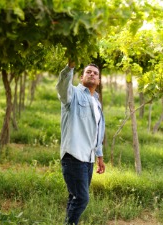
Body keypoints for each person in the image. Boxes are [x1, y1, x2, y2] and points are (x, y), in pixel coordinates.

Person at [56, 60, 106, 225]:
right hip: (73, 154)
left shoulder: (96, 102)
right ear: (82, 76)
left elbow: (97, 132)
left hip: (88, 158)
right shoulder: (73, 94)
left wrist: (99, 155)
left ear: (98, 81)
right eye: (88, 72)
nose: (92, 74)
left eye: (95, 73)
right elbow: (62, 88)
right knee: (82, 199)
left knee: (75, 197)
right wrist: (69, 67)